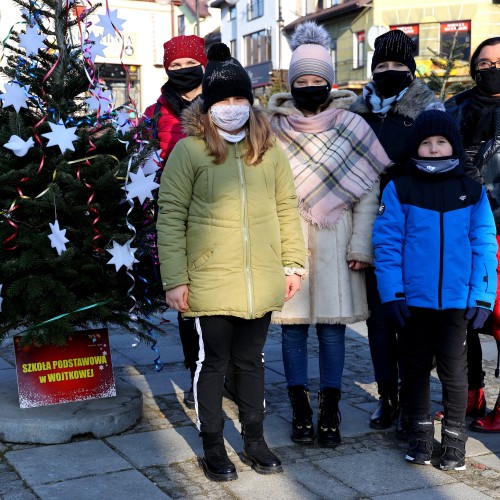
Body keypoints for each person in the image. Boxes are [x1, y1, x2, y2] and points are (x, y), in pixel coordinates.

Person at [156, 42, 306, 482]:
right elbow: (171, 217)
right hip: (209, 279)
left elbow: (286, 208)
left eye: (239, 99)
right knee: (212, 363)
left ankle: (255, 439)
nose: (232, 107)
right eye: (223, 100)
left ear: (251, 103)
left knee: (252, 362)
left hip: (260, 277)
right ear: (209, 106)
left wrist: (293, 264)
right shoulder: (190, 150)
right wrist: (175, 279)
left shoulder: (269, 149)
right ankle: (212, 445)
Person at [268, 21, 391, 448]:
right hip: (290, 239)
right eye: (301, 80)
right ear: (291, 82)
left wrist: (362, 245)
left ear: (329, 82)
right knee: (292, 329)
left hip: (339, 243)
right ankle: (301, 411)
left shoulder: (353, 126)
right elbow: (265, 192)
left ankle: (330, 410)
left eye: (316, 80)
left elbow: (368, 194)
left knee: (334, 330)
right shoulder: (272, 128)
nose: (309, 87)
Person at [372, 109, 497, 471]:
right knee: (413, 369)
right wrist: (391, 293)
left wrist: (482, 295)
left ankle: (454, 439)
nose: (434, 149)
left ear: (453, 146)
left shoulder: (470, 191)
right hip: (413, 301)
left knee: (455, 373)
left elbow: (484, 244)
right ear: (417, 148)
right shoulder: (400, 188)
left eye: (441, 142)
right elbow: (387, 242)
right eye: (426, 143)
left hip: (457, 302)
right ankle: (421, 433)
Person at [350, 29, 452, 435]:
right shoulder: (359, 112)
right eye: (382, 66)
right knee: (377, 321)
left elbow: (441, 161)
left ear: (410, 69)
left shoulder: (429, 108)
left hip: (415, 224)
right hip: (369, 227)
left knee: (411, 317)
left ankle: (413, 397)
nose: (389, 72)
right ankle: (388, 397)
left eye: (397, 65)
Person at [143, 35, 207, 410]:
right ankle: (195, 370)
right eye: (175, 66)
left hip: (218, 208)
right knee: (187, 299)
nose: (183, 71)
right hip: (176, 213)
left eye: (189, 64)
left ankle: (227, 370)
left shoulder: (220, 104)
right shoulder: (155, 112)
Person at [445, 36, 500, 432]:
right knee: (464, 318)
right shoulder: (454, 107)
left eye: (499, 61)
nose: (492, 68)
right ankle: (469, 395)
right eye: (484, 62)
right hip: (462, 227)